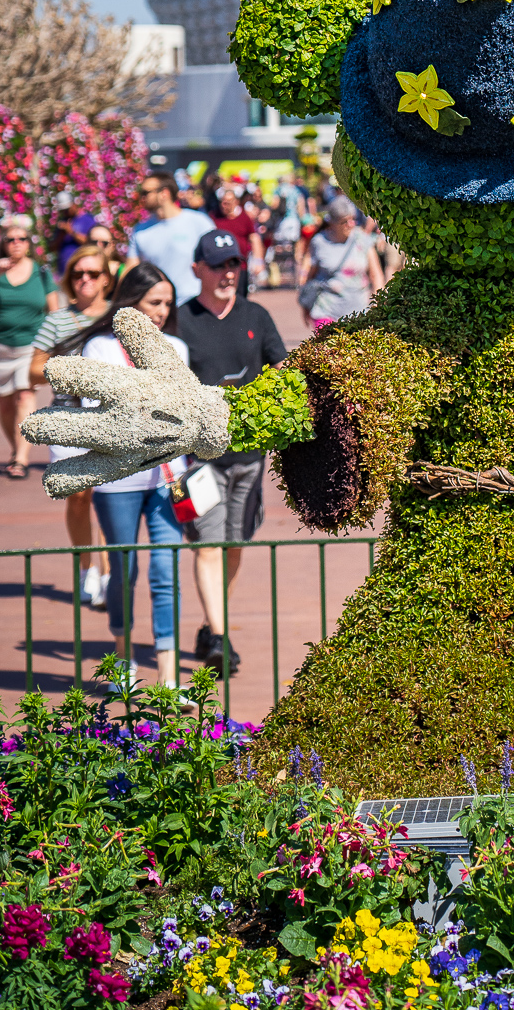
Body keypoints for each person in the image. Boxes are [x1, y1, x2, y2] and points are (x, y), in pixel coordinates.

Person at [45, 262, 187, 685]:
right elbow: (104, 415)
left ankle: (169, 673)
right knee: (123, 570)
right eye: (153, 303)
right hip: (119, 476)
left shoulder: (177, 348)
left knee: (166, 569)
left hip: (168, 475)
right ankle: (123, 654)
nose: (161, 311)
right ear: (130, 305)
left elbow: (184, 415)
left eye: (167, 303)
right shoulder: (102, 348)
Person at [178, 230, 288, 674]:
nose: (227, 273)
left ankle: (210, 623)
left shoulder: (256, 315)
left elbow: (283, 372)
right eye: (218, 265)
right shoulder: (180, 321)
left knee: (234, 545)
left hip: (249, 458)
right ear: (197, 270)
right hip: (197, 461)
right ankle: (220, 638)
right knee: (208, 543)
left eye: (234, 265)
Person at [30, 246, 115, 607]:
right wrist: (71, 372)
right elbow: (34, 370)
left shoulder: (119, 317)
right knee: (79, 496)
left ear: (106, 279)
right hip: (67, 418)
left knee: (111, 498)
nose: (85, 280)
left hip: (112, 418)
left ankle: (112, 574)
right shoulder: (57, 321)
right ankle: (86, 569)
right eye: (78, 274)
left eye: (93, 274)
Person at [0, 218, 58, 479]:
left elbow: (54, 311)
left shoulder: (41, 272)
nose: (16, 243)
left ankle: (21, 459)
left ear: (29, 244)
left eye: (21, 239)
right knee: (5, 405)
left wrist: (55, 343)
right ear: (3, 244)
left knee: (25, 397)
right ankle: (16, 448)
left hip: (30, 346)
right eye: (10, 239)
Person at [297, 195, 384, 330]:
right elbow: (311, 275)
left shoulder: (362, 239)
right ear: (332, 223)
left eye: (353, 220)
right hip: (326, 310)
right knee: (328, 350)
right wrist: (305, 305)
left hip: (359, 312)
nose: (351, 225)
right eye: (345, 221)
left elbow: (376, 274)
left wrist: (379, 304)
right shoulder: (319, 242)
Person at [125, 172, 214, 304]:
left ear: (164, 193)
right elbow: (131, 271)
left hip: (194, 305)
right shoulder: (140, 230)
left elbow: (214, 261)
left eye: (146, 192)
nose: (141, 197)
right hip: (158, 308)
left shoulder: (199, 222)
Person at [210, 186, 266, 293]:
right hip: (219, 266)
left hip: (240, 266)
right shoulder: (214, 217)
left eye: (227, 203)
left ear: (235, 202)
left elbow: (254, 238)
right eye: (222, 202)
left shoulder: (244, 218)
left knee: (240, 296)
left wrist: (259, 261)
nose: (223, 206)